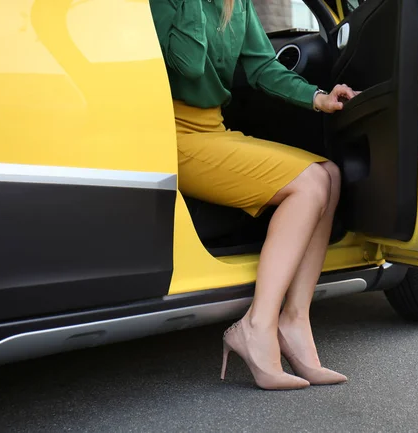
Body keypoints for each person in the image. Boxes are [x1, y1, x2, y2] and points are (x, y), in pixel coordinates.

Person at [150, 0, 358, 390]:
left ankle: (294, 322)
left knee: (329, 174)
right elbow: (189, 65)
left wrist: (318, 98)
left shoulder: (237, 4)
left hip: (211, 128)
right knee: (308, 185)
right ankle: (256, 325)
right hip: (170, 134)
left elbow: (261, 66)